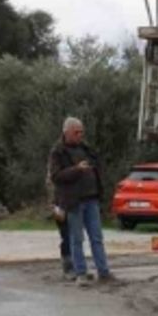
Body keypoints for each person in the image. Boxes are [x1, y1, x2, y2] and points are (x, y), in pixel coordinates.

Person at [48, 117, 114, 286]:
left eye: (81, 132)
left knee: (97, 237)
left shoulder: (87, 149)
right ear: (66, 132)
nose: (80, 135)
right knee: (76, 238)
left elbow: (98, 167)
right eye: (76, 132)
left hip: (91, 199)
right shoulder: (58, 152)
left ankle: (104, 272)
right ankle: (80, 274)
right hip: (73, 202)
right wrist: (76, 170)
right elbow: (56, 176)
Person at [45, 162, 74, 281]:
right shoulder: (55, 171)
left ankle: (77, 265)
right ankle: (68, 267)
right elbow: (50, 189)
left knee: (75, 236)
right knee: (66, 235)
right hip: (60, 206)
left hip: (72, 205)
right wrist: (53, 207)